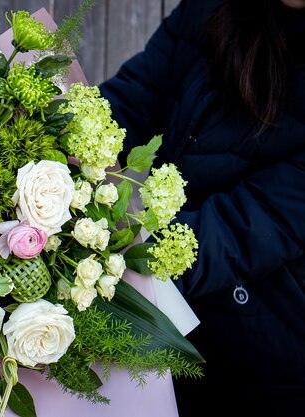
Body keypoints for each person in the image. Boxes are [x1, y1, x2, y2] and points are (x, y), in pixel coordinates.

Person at [98, 0, 305, 415]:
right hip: (172, 320)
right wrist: (49, 133)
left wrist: (119, 259)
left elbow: (248, 225)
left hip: (261, 346)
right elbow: (133, 97)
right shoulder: (210, 6)